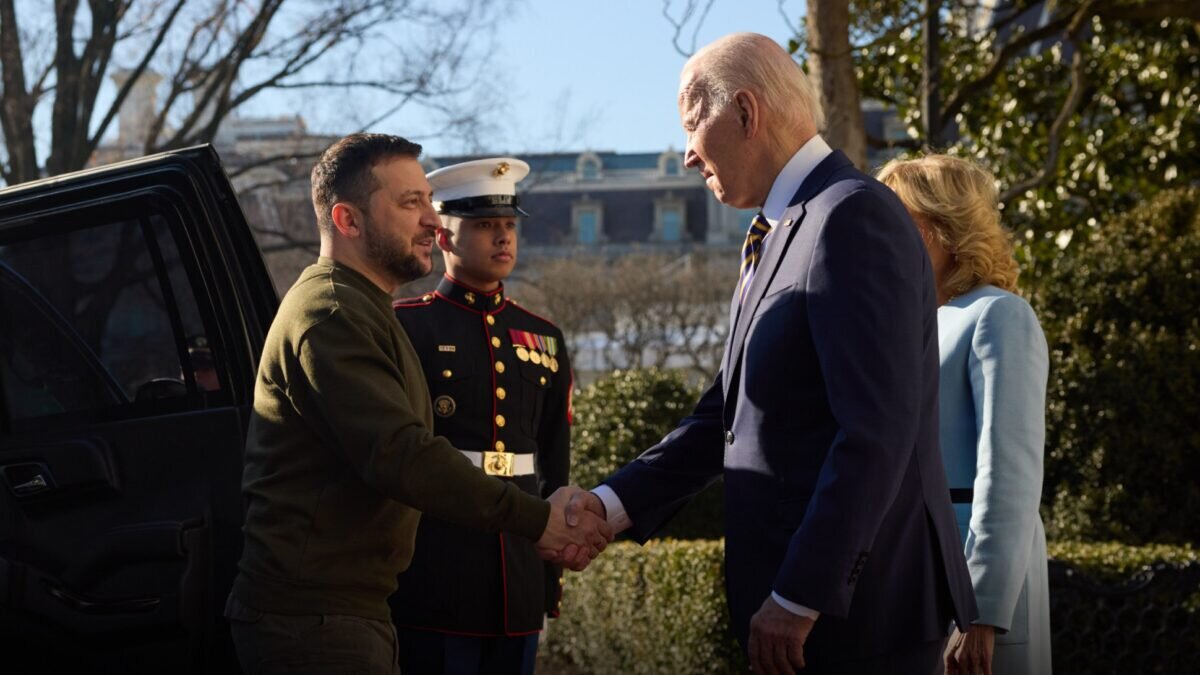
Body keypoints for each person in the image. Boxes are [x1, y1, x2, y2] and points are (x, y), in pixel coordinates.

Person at [561, 32, 977, 674]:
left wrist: (800, 593)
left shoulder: (851, 216)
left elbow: (876, 429)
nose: (687, 157)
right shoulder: (784, 230)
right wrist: (609, 507)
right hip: (811, 621)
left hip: (852, 621)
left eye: (691, 124)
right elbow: (723, 419)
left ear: (747, 113)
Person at [224, 133, 609, 675]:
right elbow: (402, 455)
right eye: (412, 203)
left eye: (429, 202)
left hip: (344, 612)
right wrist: (538, 520)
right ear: (348, 220)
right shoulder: (333, 314)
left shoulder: (364, 309)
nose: (433, 220)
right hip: (317, 620)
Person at [389, 158, 572, 674]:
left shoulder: (543, 337)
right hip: (437, 562)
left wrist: (548, 571)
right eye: (484, 226)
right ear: (445, 238)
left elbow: (554, 461)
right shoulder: (406, 326)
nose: (502, 238)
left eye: (509, 226)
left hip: (518, 565)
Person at [877, 155, 1052, 675]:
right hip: (908, 577)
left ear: (936, 229)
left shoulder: (998, 314)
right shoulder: (911, 324)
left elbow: (1010, 474)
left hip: (971, 586)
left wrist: (982, 609)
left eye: (893, 218)